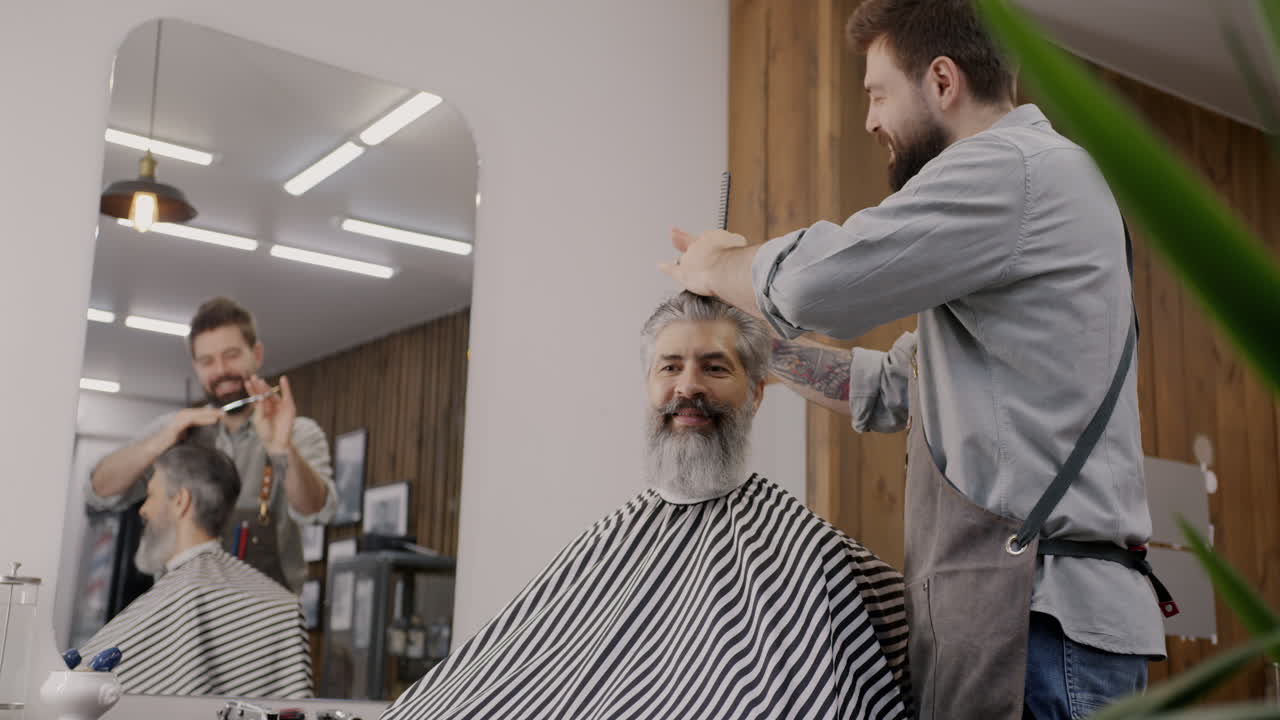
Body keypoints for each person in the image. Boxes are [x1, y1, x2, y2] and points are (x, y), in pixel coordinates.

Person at [659, 1, 1170, 717]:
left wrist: (716, 266)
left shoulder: (1014, 169)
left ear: (942, 81)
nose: (870, 120)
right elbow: (893, 388)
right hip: (1027, 624)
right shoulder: (1023, 203)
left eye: (877, 94)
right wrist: (753, 351)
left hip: (1041, 629)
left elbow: (813, 285)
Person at [380, 293, 910, 720]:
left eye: (715, 368)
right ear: (649, 387)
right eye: (670, 367)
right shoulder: (603, 545)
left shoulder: (804, 548)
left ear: (755, 394)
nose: (688, 386)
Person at [88, 296, 336, 593]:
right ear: (195, 366)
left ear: (256, 354)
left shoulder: (298, 433)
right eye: (207, 361)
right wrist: (158, 443)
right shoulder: (174, 430)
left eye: (231, 355)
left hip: (263, 615)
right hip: (179, 610)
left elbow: (315, 509)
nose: (220, 370)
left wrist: (283, 450)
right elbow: (99, 491)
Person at [77, 445, 312, 698]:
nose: (143, 509)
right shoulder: (282, 604)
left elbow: (87, 685)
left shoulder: (187, 594)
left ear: (181, 501)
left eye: (151, 495)